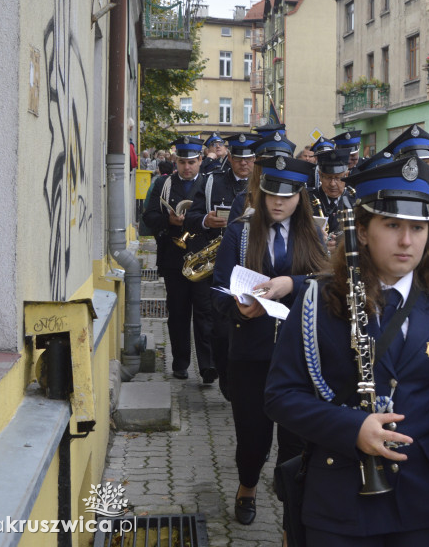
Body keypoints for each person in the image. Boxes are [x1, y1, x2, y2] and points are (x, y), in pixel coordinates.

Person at [264, 156, 429, 546]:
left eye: (418, 228)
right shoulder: (317, 300)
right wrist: (353, 429)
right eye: (392, 225)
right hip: (343, 506)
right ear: (363, 232)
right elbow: (280, 396)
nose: (407, 241)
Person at [211, 151, 326, 527]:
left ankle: (292, 500)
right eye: (271, 193)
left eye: (287, 194)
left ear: (300, 196)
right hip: (250, 352)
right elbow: (217, 289)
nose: (278, 202)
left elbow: (330, 286)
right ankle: (247, 485)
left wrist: (291, 283)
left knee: (294, 438)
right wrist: (237, 307)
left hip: (300, 355)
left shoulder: (312, 233)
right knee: (252, 434)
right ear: (260, 192)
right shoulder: (240, 231)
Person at [183, 132, 258, 392]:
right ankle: (210, 368)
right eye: (238, 158)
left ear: (255, 159)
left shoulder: (263, 187)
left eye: (248, 159)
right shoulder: (211, 181)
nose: (244, 164)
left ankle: (236, 371)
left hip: (251, 264)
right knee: (211, 320)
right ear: (230, 157)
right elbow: (191, 217)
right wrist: (206, 221)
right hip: (216, 261)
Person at [140, 135, 206, 380]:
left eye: (191, 162)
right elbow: (148, 217)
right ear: (176, 161)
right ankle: (180, 363)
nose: (187, 167)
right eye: (182, 162)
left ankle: (207, 365)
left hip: (203, 258)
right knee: (178, 312)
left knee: (204, 312)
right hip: (173, 258)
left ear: (200, 160)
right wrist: (167, 220)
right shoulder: (163, 185)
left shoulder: (210, 183)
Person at [314, 146, 353, 240]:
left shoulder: (354, 200)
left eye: (338, 178)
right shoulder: (308, 198)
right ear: (320, 175)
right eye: (328, 177)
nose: (332, 184)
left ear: (346, 175)